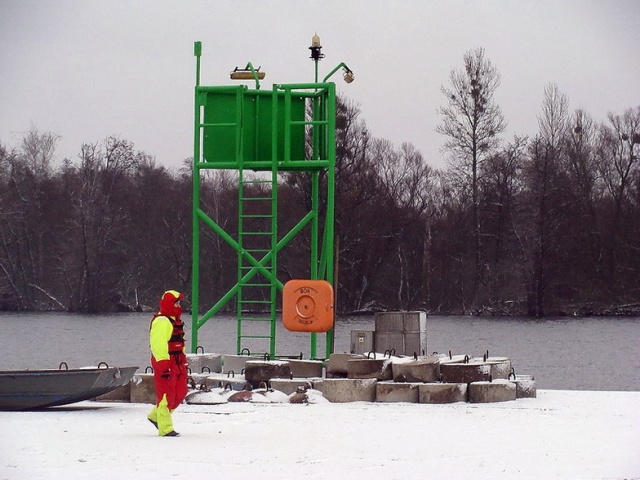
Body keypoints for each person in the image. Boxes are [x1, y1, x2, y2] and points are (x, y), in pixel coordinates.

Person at [147, 290, 189, 437]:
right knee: (166, 395)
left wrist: (184, 361)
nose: (179, 306)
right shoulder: (161, 321)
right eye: (176, 303)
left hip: (178, 361)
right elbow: (158, 345)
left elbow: (180, 343)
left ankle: (155, 416)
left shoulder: (175, 321)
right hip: (166, 362)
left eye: (179, 303)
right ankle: (165, 428)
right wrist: (163, 365)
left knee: (181, 391)